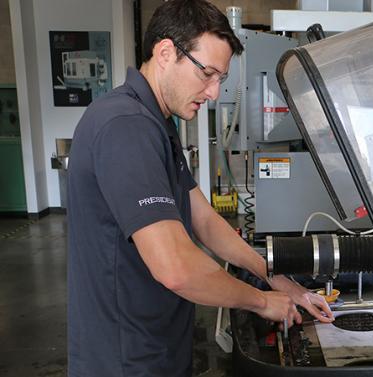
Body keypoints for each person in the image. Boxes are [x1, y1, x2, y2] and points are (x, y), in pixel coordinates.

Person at [66, 1, 334, 375]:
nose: (212, 93)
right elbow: (175, 267)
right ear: (165, 53)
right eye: (206, 74)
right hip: (125, 356)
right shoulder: (125, 127)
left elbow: (204, 220)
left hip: (157, 341)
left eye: (220, 80)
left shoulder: (157, 124)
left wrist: (274, 277)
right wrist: (260, 301)